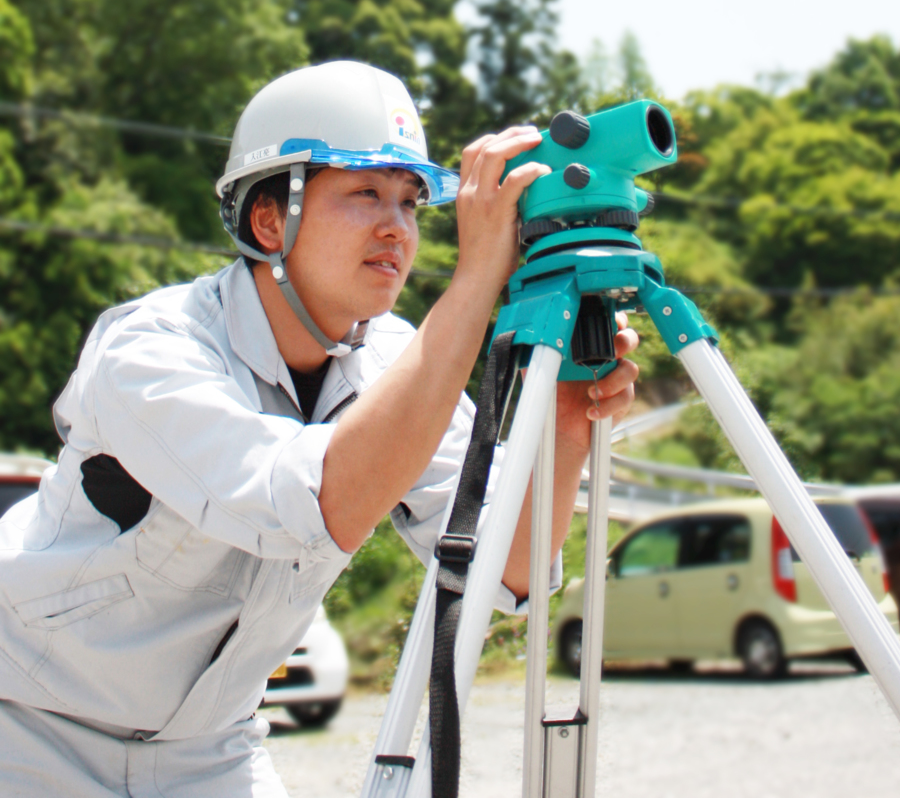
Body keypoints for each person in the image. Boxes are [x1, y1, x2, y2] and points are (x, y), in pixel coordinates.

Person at [0, 61, 639, 796]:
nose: (395, 227)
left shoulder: (400, 360)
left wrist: (562, 424)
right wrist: (474, 281)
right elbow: (308, 502)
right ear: (269, 218)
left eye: (410, 202)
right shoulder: (151, 349)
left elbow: (512, 571)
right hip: (28, 726)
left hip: (207, 749)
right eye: (364, 192)